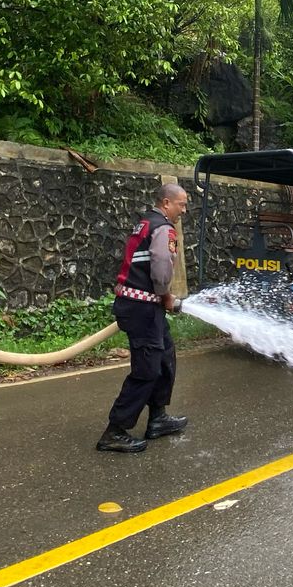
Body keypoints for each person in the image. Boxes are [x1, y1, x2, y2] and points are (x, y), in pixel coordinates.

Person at [97, 183, 191, 453]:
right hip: (143, 309)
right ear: (165, 203)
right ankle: (115, 430)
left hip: (143, 308)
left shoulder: (145, 223)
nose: (184, 210)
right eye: (181, 204)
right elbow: (162, 264)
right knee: (147, 369)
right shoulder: (164, 228)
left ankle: (158, 419)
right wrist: (166, 295)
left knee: (164, 358)